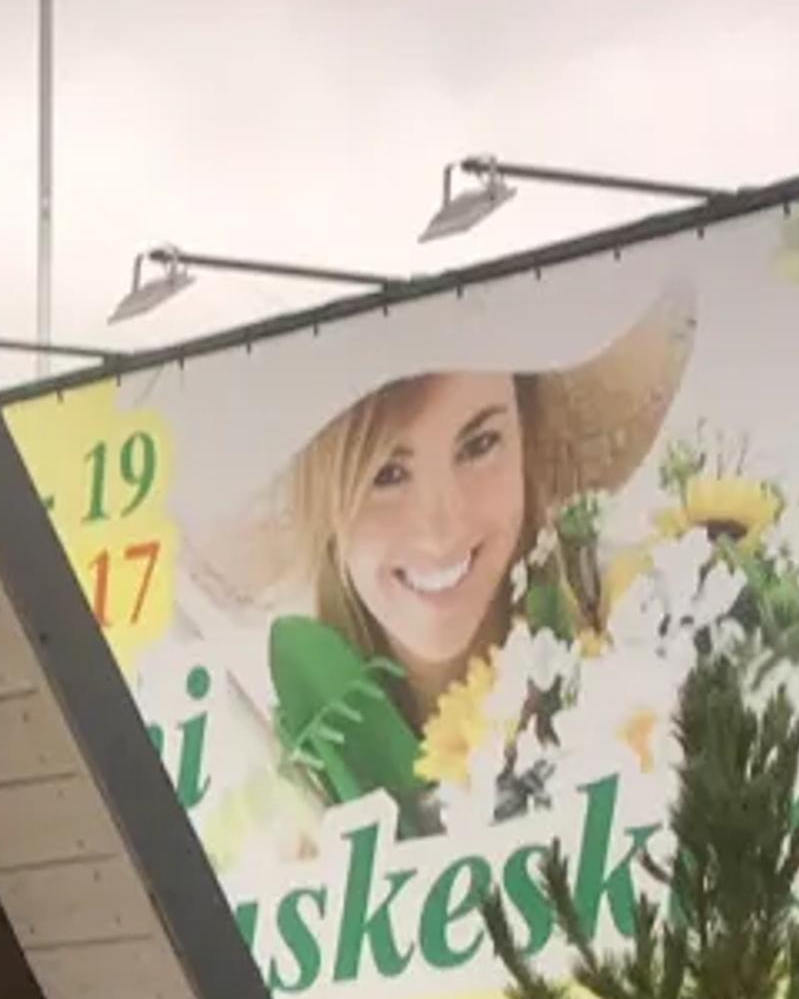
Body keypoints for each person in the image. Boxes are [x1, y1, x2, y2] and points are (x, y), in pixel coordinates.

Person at [207, 294, 690, 820]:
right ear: (325, 502)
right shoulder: (278, 782)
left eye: (480, 444)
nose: (440, 529)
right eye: (386, 475)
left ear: (527, 440)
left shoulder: (655, 641)